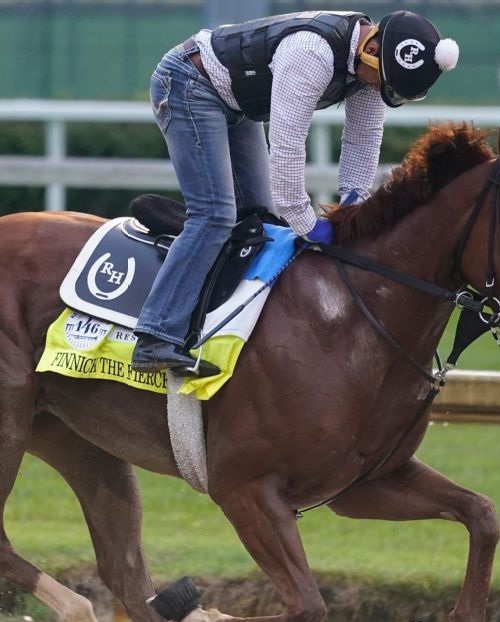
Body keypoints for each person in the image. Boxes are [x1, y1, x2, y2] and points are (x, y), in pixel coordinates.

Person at [131, 9, 459, 375]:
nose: (375, 89)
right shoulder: (312, 54)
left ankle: (210, 322)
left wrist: (355, 208)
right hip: (189, 83)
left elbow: (362, 143)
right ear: (372, 47)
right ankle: (156, 335)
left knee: (259, 218)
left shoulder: (374, 68)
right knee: (214, 215)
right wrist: (308, 224)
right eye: (379, 80)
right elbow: (286, 148)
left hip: (236, 101)